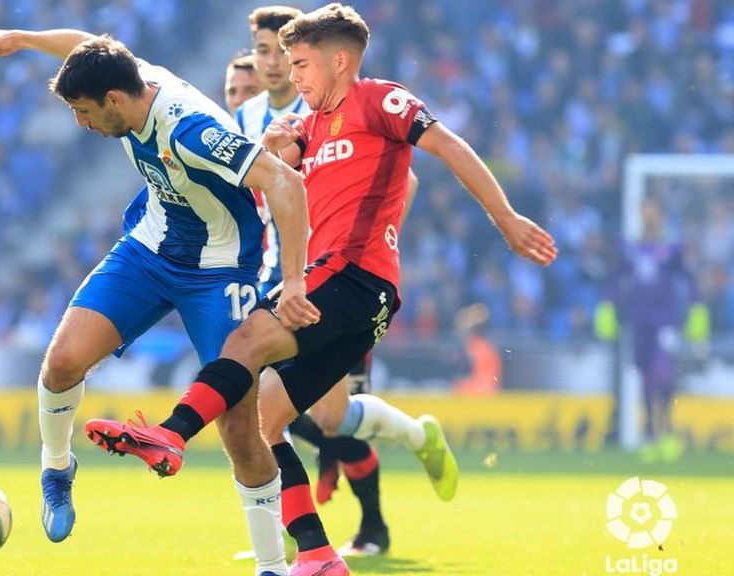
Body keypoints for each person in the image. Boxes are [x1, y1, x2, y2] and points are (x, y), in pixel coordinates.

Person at [86, 4, 557, 575]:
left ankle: (169, 434)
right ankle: (317, 554)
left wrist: (504, 219)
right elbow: (264, 188)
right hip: (349, 290)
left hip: (353, 276)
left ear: (340, 61)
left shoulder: (381, 99)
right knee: (266, 422)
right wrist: (275, 143)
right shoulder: (307, 127)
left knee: (246, 342)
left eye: (302, 63)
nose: (292, 75)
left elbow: (450, 148)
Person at [0, 29, 314, 576]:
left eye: (84, 112)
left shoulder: (192, 130)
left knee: (240, 430)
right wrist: (22, 39)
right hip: (151, 248)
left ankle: (271, 566)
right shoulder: (126, 76)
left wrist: (293, 281)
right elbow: (87, 42)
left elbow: (285, 184)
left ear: (113, 100)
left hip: (220, 270)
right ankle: (57, 469)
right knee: (61, 362)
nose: (81, 125)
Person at [236, 5, 430, 557]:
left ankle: (382, 501)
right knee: (271, 408)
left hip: (341, 277)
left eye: (284, 53)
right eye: (263, 52)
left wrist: (369, 241)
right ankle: (289, 542)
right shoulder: (247, 118)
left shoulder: (325, 103)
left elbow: (405, 178)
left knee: (327, 415)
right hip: (280, 277)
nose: (275, 64)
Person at [597, 196, 705, 462]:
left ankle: (667, 429)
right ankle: (649, 433)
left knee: (662, 372)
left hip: (665, 320)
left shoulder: (673, 247)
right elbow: (615, 280)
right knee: (645, 376)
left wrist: (697, 308)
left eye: (653, 212)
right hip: (639, 320)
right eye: (645, 212)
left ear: (661, 216)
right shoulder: (629, 247)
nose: (649, 217)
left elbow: (688, 280)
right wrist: (608, 307)